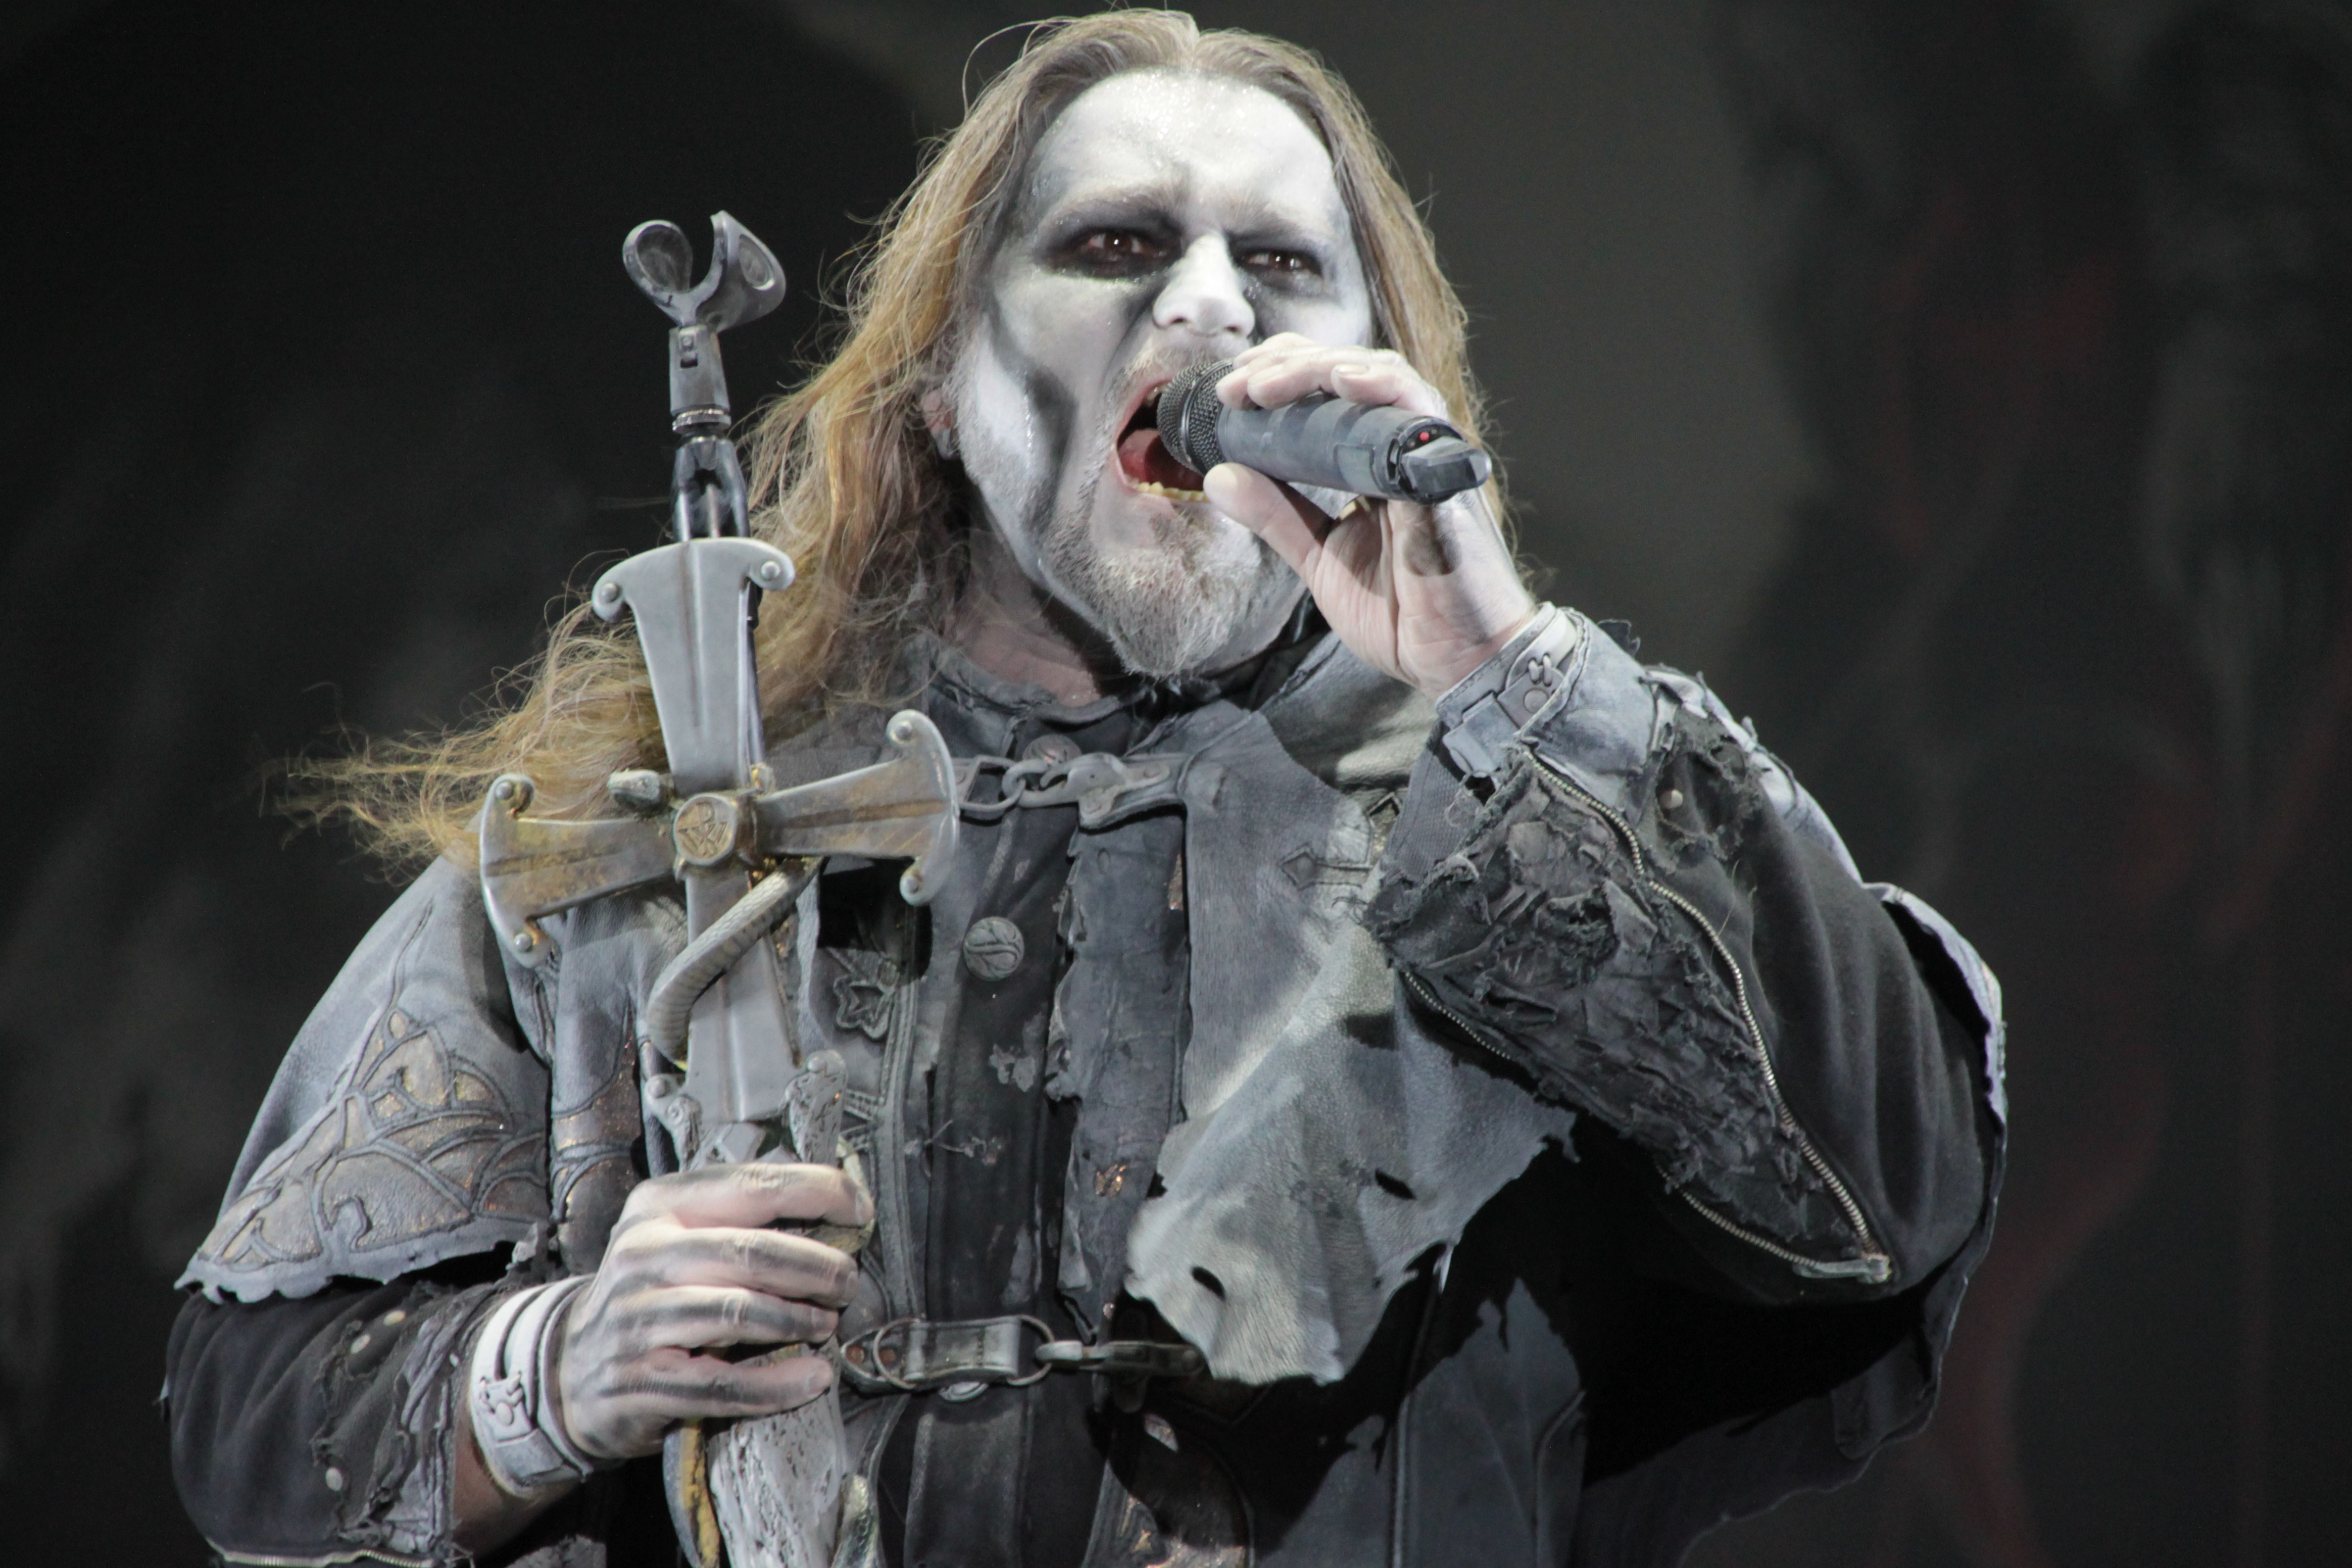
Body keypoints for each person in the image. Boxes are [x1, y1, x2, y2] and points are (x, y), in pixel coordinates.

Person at [165, 13, 2004, 1567]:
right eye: (1117, 245)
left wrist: (1505, 673)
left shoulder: (1528, 801)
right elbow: (251, 1405)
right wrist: (559, 1370)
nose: (1208, 305)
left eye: (1282, 263)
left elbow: (1894, 1187)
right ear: (943, 385)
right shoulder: (660, 831)